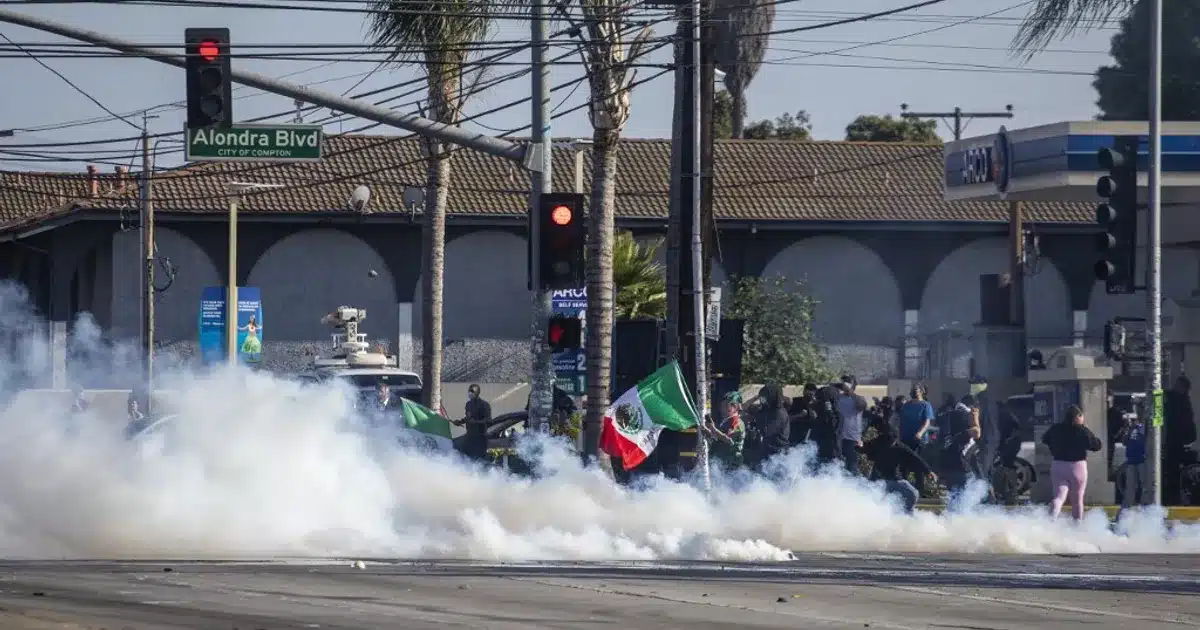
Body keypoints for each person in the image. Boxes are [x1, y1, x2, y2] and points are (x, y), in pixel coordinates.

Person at [859, 419, 935, 514]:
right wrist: (859, 445)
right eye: (888, 442)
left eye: (893, 442)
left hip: (895, 479)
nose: (891, 444)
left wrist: (928, 471)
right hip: (878, 480)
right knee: (876, 499)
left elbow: (915, 458)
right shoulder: (878, 442)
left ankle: (907, 515)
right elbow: (864, 448)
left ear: (896, 440)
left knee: (913, 494)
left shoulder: (900, 447)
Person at [1042, 404, 1102, 520]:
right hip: (1077, 466)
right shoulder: (1082, 430)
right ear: (1078, 416)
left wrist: (1055, 447)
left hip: (1058, 465)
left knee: (1059, 496)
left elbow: (1045, 439)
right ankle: (1077, 527)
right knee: (1077, 499)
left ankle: (1052, 515)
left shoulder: (1056, 428)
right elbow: (1096, 446)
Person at [1164, 376, 1199, 505]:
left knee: (1173, 469)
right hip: (1176, 439)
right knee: (1173, 469)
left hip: (1175, 440)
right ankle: (1173, 495)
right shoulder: (1183, 401)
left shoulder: (1179, 401)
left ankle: (1173, 496)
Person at [940, 394, 983, 497]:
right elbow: (977, 432)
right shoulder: (963, 434)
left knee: (954, 499)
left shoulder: (949, 418)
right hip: (961, 468)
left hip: (950, 467)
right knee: (965, 497)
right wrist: (975, 418)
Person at [898, 384, 935, 495]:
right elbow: (901, 421)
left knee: (918, 466)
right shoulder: (906, 405)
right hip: (905, 439)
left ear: (922, 392)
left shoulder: (925, 405)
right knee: (904, 466)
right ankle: (904, 489)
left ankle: (920, 490)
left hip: (919, 441)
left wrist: (920, 432)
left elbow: (927, 422)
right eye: (913, 390)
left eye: (917, 390)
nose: (914, 392)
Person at [751, 384, 790, 468]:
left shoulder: (779, 413)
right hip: (767, 450)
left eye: (764, 396)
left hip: (778, 453)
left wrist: (757, 422)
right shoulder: (767, 409)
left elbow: (767, 431)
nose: (762, 398)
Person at [705, 391, 746, 470]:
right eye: (723, 404)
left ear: (735, 406)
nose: (722, 407)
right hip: (720, 460)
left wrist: (713, 428)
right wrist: (707, 429)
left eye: (726, 404)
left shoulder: (736, 422)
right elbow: (716, 436)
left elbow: (728, 439)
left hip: (731, 462)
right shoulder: (725, 421)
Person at [453, 383, 492, 462]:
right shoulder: (468, 404)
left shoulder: (484, 405)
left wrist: (476, 422)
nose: (470, 393)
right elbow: (468, 418)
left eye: (472, 391)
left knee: (478, 460)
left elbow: (488, 420)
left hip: (480, 438)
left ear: (477, 392)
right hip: (469, 436)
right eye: (469, 391)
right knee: (465, 458)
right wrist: (460, 422)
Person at [1117, 409, 1147, 510]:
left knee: (1144, 486)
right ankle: (1125, 511)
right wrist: (1126, 429)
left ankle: (1144, 510)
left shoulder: (1144, 429)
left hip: (1142, 461)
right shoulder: (1131, 429)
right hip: (1131, 461)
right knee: (1130, 487)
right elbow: (1124, 442)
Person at [836, 380, 867, 475]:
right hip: (839, 436)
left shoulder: (858, 399)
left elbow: (862, 406)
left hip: (853, 438)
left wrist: (850, 392)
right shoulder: (838, 398)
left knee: (852, 467)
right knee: (838, 466)